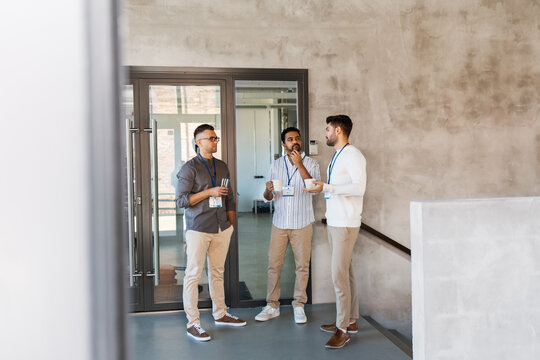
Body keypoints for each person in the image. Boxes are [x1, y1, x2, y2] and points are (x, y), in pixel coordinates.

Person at [176, 124, 246, 342]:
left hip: (221, 228)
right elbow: (181, 201)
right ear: (199, 142)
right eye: (211, 138)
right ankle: (193, 323)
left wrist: (230, 225)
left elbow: (230, 197)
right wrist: (209, 192)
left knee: (217, 272)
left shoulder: (222, 166)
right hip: (198, 228)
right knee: (193, 275)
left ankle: (220, 314)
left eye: (217, 138)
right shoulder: (189, 168)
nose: (216, 141)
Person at [303, 115, 366, 349]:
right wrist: (322, 189)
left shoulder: (353, 155)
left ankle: (343, 330)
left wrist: (326, 187)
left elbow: (359, 188)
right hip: (335, 222)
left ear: (339, 130)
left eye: (328, 129)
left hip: (346, 224)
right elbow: (334, 188)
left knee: (338, 277)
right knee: (346, 273)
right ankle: (350, 320)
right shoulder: (337, 156)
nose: (325, 133)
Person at [255, 127, 321, 324]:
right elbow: (268, 197)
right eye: (290, 139)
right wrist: (267, 191)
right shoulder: (275, 165)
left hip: (302, 222)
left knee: (302, 266)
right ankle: (272, 305)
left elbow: (314, 190)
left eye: (297, 138)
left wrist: (299, 164)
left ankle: (299, 305)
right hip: (280, 223)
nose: (295, 141)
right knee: (274, 265)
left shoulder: (311, 163)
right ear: (284, 145)